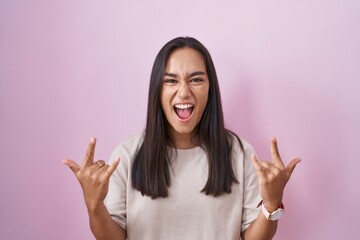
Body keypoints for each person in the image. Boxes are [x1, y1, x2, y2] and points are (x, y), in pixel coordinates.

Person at [63, 36, 301, 240]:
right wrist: (93, 204)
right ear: (158, 89)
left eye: (196, 79)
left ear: (210, 88)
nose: (184, 91)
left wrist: (272, 203)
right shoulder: (126, 156)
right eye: (171, 81)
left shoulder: (238, 153)